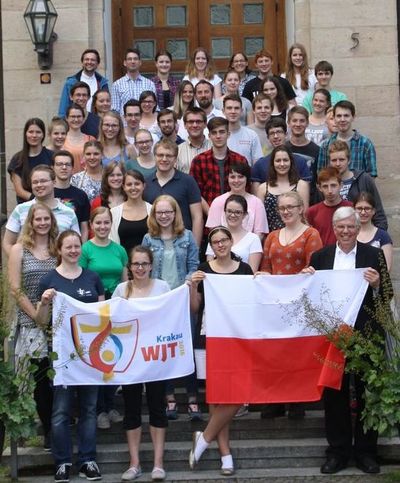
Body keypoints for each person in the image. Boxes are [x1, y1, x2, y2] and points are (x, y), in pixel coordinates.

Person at [303, 206, 392, 475]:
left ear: (357, 228)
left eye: (350, 227)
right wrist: (306, 280)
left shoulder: (373, 255)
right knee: (335, 396)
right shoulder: (320, 257)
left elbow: (387, 295)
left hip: (367, 336)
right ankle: (338, 452)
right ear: (334, 228)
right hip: (332, 338)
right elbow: (309, 297)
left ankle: (366, 452)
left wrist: (377, 285)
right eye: (340, 227)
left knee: (368, 395)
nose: (345, 231)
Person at [36, 230, 104, 482]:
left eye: (77, 246)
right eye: (69, 247)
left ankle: (88, 460)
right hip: (62, 356)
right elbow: (41, 321)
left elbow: (101, 317)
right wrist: (44, 303)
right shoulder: (49, 280)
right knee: (61, 411)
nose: (74, 250)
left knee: (88, 409)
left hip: (90, 356)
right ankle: (62, 462)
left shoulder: (92, 278)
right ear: (59, 250)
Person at [189, 226, 253, 475]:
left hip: (238, 337)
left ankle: (203, 439)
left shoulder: (245, 270)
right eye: (215, 242)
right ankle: (225, 454)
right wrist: (193, 288)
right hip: (210, 336)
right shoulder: (204, 271)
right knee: (215, 396)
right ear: (211, 246)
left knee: (237, 394)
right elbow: (195, 309)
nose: (220, 245)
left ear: (230, 242)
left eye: (224, 240)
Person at [258, 191, 322, 419]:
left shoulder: (311, 234)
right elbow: (266, 266)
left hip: (300, 304)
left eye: (290, 207)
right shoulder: (272, 236)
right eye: (282, 208)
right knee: (275, 352)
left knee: (296, 352)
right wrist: (262, 277)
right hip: (275, 303)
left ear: (300, 208)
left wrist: (308, 273)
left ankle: (297, 400)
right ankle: (276, 400)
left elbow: (315, 268)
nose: (285, 211)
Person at [112, 245, 170, 482]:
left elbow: (171, 318)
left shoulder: (163, 288)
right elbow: (112, 322)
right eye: (136, 264)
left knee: (158, 407)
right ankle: (134, 463)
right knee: (132, 409)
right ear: (129, 266)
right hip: (130, 360)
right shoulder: (120, 290)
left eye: (144, 263)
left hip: (155, 358)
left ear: (151, 265)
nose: (140, 268)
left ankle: (158, 463)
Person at [142, 195, 200, 421]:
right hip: (159, 303)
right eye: (159, 213)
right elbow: (144, 268)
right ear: (154, 215)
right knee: (163, 351)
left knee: (187, 349)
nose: (164, 216)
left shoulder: (186, 237)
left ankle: (193, 398)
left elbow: (193, 265)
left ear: (176, 213)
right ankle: (170, 398)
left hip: (182, 300)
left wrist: (187, 283)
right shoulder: (149, 238)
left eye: (168, 212)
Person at [8, 203, 58, 452]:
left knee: (59, 376)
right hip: (31, 323)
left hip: (58, 323)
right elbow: (15, 289)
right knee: (41, 378)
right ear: (30, 221)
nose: (42, 223)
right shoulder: (19, 249)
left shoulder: (57, 247)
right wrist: (36, 316)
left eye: (46, 218)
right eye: (38, 219)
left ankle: (62, 426)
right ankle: (48, 429)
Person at [79, 207, 128, 430]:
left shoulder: (119, 250)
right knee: (96, 360)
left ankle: (110, 405)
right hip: (94, 309)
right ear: (91, 225)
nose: (102, 227)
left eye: (106, 223)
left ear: (111, 224)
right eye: (98, 223)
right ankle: (98, 409)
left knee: (114, 357)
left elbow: (126, 281)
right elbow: (80, 278)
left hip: (116, 308)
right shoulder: (85, 250)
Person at [3, 165, 80, 257]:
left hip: (60, 269)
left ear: (54, 182)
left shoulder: (69, 213)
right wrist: (19, 263)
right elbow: (7, 243)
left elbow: (77, 244)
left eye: (43, 181)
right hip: (28, 269)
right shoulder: (20, 210)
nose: (39, 185)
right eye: (35, 182)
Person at [144, 139, 203, 246]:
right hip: (154, 244)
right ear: (154, 157)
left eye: (169, 156)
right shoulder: (145, 183)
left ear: (175, 159)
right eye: (160, 155)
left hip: (182, 243)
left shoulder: (188, 181)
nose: (164, 159)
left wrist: (195, 248)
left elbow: (197, 216)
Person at [190, 117, 248, 216]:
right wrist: (212, 214)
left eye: (222, 132)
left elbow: (246, 189)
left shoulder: (240, 160)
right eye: (214, 133)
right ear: (209, 136)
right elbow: (195, 192)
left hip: (236, 216)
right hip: (208, 217)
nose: (218, 136)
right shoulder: (199, 161)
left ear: (228, 134)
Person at [327, 140, 387, 229]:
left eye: (342, 159)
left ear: (349, 160)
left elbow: (378, 213)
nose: (338, 164)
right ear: (329, 162)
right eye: (334, 160)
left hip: (362, 235)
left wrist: (379, 238)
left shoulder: (364, 179)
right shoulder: (326, 184)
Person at [251, 117, 312, 194]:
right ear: (268, 137)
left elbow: (305, 192)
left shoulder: (300, 162)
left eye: (279, 132)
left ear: (286, 134)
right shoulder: (260, 164)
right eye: (272, 133)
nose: (276, 136)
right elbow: (257, 199)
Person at [206, 163, 268, 239]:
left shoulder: (257, 203)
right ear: (228, 179)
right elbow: (214, 230)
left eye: (240, 177)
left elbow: (260, 233)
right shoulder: (218, 202)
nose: (236, 180)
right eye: (232, 177)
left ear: (247, 179)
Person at [318, 100, 378, 177]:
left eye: (346, 116)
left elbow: (371, 175)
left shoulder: (365, 144)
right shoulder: (326, 145)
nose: (342, 119)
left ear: (353, 117)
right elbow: (321, 174)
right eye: (339, 116)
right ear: (334, 118)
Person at [256, 146, 309, 230]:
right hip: (271, 237)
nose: (282, 164)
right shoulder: (262, 188)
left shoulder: (301, 185)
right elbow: (260, 220)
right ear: (272, 163)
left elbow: (304, 215)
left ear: (291, 162)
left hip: (296, 235)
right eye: (278, 161)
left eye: (285, 160)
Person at [206, 195, 262, 272]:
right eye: (229, 211)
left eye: (238, 212)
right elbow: (209, 267)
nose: (233, 215)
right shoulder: (215, 236)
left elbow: (251, 273)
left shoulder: (253, 239)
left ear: (245, 214)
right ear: (224, 212)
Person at [7, 118, 53, 203]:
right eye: (31, 132)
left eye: (38, 132)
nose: (34, 135)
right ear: (25, 134)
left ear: (43, 135)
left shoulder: (51, 156)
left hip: (49, 204)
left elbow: (55, 183)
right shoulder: (17, 159)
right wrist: (37, 201)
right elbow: (19, 191)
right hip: (26, 207)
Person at [305, 167, 353, 246]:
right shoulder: (312, 212)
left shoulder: (351, 209)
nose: (330, 191)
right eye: (325, 186)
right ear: (319, 187)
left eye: (333, 185)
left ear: (341, 185)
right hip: (322, 255)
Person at [110, 169, 152, 255]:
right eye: (129, 184)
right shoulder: (114, 212)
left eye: (137, 184)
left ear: (144, 186)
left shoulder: (152, 210)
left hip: (148, 265)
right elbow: (111, 242)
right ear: (124, 187)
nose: (133, 188)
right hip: (122, 265)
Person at [53, 150, 90, 243]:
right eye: (59, 164)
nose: (64, 167)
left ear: (72, 168)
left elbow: (84, 227)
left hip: (72, 248)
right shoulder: (44, 192)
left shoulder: (81, 195)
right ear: (52, 168)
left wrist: (82, 249)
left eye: (67, 164)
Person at [58, 49, 109, 117]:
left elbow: (106, 106)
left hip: (96, 122)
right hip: (76, 120)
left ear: (97, 64)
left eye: (92, 60)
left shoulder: (102, 83)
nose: (89, 62)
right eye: (86, 59)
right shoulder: (71, 83)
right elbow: (63, 108)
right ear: (82, 62)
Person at [111, 48, 156, 117]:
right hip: (125, 125)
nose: (133, 61)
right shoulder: (117, 85)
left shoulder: (150, 84)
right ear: (125, 63)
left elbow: (155, 108)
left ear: (140, 62)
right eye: (129, 59)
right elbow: (115, 110)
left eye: (135, 59)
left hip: (146, 125)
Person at [354, 191, 393, 271]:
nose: (363, 212)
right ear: (354, 210)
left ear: (373, 211)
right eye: (359, 208)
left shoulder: (383, 236)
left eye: (367, 208)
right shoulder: (349, 234)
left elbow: (387, 268)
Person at [222, 94, 263, 166]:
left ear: (242, 111)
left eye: (236, 108)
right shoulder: (217, 136)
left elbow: (258, 164)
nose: (233, 111)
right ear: (223, 111)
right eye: (229, 108)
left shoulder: (252, 135)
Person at [176, 107, 212, 174]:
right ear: (185, 125)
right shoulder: (178, 151)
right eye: (191, 122)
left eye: (198, 121)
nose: (195, 125)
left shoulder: (214, 148)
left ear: (205, 124)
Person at [63, 104, 95, 173]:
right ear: (66, 118)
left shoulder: (91, 139)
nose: (76, 119)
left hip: (86, 181)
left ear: (83, 118)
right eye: (73, 116)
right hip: (67, 181)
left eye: (79, 116)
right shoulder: (61, 139)